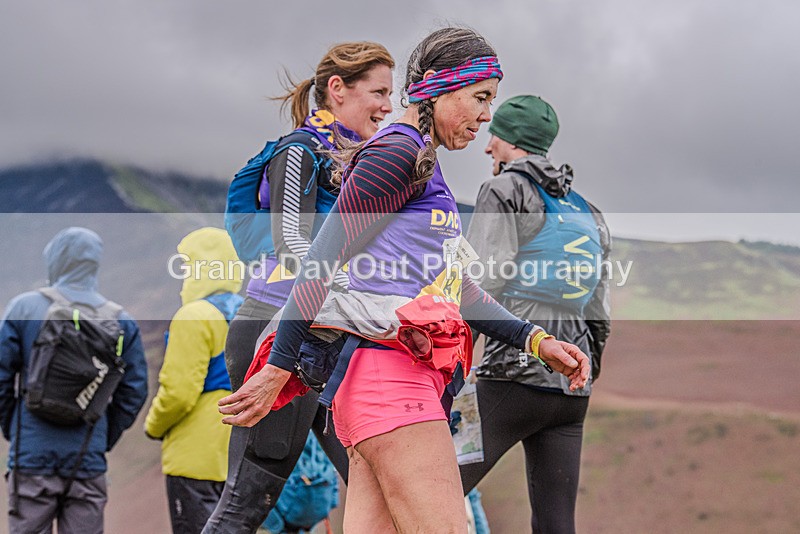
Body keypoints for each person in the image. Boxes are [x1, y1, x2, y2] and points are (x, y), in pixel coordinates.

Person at [219, 28, 590, 533]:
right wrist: (280, 366)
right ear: (437, 86)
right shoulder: (397, 152)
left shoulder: (419, 160)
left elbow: (454, 289)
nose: (485, 117)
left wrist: (536, 341)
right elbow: (321, 259)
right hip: (394, 386)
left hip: (385, 386)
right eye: (479, 98)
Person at [203, 42, 394, 533]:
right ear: (337, 89)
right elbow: (292, 243)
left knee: (385, 487)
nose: (388, 106)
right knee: (246, 503)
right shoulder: (299, 152)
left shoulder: (351, 161)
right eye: (378, 92)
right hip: (274, 329)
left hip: (329, 339)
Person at [460, 95, 611, 533]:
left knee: (430, 489)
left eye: (495, 136)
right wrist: (584, 370)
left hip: (512, 371)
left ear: (511, 141)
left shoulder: (502, 189)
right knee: (556, 522)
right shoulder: (588, 210)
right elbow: (598, 310)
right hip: (571, 388)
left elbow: (480, 286)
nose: (488, 147)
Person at [0, 227, 148, 534]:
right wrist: (102, 435)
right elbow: (134, 392)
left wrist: (12, 425)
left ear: (56, 261)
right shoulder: (120, 320)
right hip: (87, 457)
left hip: (31, 455)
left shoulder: (24, 308)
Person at [144, 227, 244, 533]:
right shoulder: (251, 313)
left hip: (195, 456)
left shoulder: (194, 315)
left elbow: (179, 392)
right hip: (239, 456)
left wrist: (154, 426)